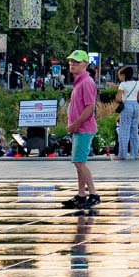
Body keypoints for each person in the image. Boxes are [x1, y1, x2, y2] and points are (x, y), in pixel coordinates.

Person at [60, 52, 96, 209]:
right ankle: (81, 195)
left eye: (76, 62)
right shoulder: (79, 82)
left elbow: (90, 108)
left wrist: (75, 124)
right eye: (71, 62)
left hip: (83, 128)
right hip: (79, 128)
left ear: (85, 64)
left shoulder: (86, 82)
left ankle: (93, 194)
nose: (72, 64)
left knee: (80, 162)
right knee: (78, 163)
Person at [115, 66, 139, 160]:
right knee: (134, 130)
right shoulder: (137, 84)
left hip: (127, 106)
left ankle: (122, 154)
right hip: (136, 106)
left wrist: (120, 102)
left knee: (124, 131)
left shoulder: (123, 84)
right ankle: (136, 154)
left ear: (123, 75)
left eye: (120, 75)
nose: (119, 77)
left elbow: (118, 98)